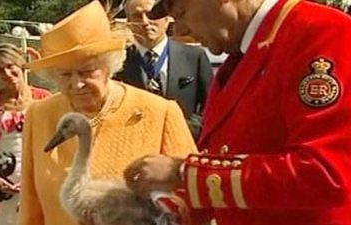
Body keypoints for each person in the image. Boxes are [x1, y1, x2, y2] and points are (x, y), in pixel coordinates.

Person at [124, 0, 351, 225]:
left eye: (182, 12)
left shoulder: (321, 33)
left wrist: (183, 172)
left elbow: (327, 174)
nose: (181, 30)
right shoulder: (242, 54)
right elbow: (230, 163)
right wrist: (159, 212)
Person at [19, 1, 196, 225]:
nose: (77, 84)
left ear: (109, 65)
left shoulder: (160, 112)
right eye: (65, 74)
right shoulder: (39, 115)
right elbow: (30, 209)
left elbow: (192, 199)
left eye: (87, 72)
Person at [0, 43, 50, 225]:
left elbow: (53, 143)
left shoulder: (44, 98)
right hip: (1, 185)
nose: (7, 73)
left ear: (21, 65)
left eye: (10, 66)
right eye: (0, 70)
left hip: (36, 181)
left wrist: (36, 176)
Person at [114, 0, 213, 139]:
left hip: (183, 144)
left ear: (167, 18)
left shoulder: (194, 57)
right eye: (137, 16)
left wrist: (181, 129)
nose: (145, 22)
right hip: (136, 145)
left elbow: (211, 107)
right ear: (128, 22)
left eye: (151, 14)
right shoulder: (118, 63)